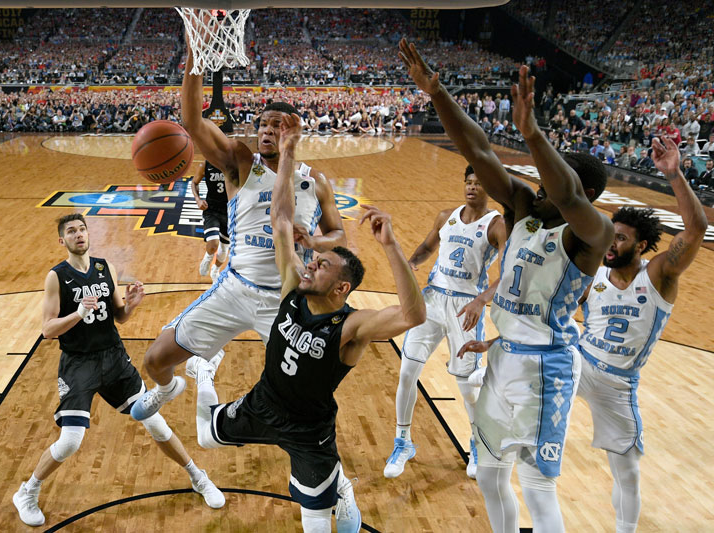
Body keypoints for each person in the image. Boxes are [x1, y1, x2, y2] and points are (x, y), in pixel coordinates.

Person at [400, 39, 612, 533]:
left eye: (552, 177)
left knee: (536, 486)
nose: (540, 184)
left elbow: (567, 194)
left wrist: (533, 134)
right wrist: (437, 94)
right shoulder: (521, 208)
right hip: (505, 357)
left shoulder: (590, 233)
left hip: (547, 368)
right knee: (492, 476)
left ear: (584, 193)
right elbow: (477, 150)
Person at [194, 113, 426, 533]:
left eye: (321, 265)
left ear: (341, 288)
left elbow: (412, 316)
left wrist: (391, 246)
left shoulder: (351, 328)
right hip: (262, 405)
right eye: (314, 260)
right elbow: (281, 220)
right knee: (206, 437)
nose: (311, 263)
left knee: (316, 524)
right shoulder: (291, 288)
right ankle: (205, 372)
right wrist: (286, 155)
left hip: (309, 431)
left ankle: (339, 486)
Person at [129, 40, 346, 422]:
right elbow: (193, 122)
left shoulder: (316, 182)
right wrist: (195, 56)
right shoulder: (242, 163)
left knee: (308, 396)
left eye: (277, 125)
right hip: (235, 287)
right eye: (263, 124)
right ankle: (166, 389)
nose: (267, 131)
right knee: (155, 359)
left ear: (294, 132)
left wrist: (315, 241)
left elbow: (339, 236)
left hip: (286, 299)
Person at [12, 214, 224, 527]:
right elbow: (48, 330)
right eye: (71, 231)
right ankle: (27, 492)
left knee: (156, 423)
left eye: (82, 229)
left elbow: (119, 316)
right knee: (70, 441)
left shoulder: (105, 268)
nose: (79, 234)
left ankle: (197, 476)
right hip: (78, 364)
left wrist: (131, 305)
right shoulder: (56, 277)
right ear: (62, 240)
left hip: (113, 358)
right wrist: (78, 314)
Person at [575, 137, 707, 533]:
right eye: (611, 235)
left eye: (621, 238)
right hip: (579, 361)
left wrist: (674, 174)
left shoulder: (659, 274)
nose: (611, 242)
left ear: (642, 245)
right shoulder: (595, 272)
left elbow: (696, 228)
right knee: (506, 379)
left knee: (627, 471)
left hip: (618, 383)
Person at [383, 164, 507, 480]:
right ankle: (402, 442)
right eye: (468, 181)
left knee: (467, 386)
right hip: (432, 300)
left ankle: (478, 444)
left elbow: (509, 274)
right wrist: (410, 263)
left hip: (466, 307)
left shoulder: (496, 225)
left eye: (479, 183)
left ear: (489, 188)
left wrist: (481, 300)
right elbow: (427, 247)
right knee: (407, 371)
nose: (472, 187)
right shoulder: (446, 216)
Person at [191, 159, 229, 282]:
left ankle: (215, 270)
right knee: (213, 244)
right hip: (211, 209)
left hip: (229, 210)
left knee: (224, 249)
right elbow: (194, 182)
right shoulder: (206, 165)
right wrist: (198, 199)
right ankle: (208, 258)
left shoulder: (234, 163)